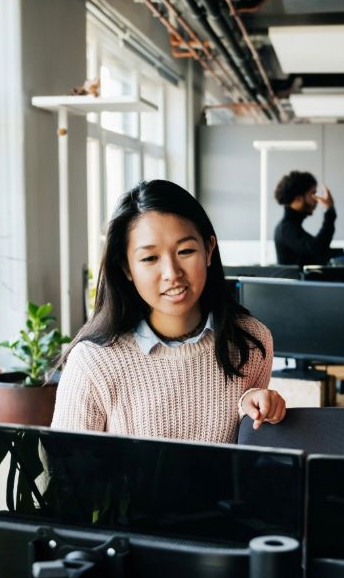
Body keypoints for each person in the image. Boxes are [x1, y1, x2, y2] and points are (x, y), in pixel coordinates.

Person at [52, 180, 286, 443]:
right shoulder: (93, 361)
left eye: (185, 251)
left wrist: (260, 407)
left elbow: (244, 448)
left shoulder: (250, 342)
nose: (172, 274)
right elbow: (66, 472)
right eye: (150, 258)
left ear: (209, 250)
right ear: (126, 268)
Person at [273, 170, 337, 265]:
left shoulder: (289, 226)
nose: (316, 200)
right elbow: (318, 248)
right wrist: (329, 211)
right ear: (298, 198)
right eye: (313, 194)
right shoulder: (286, 229)